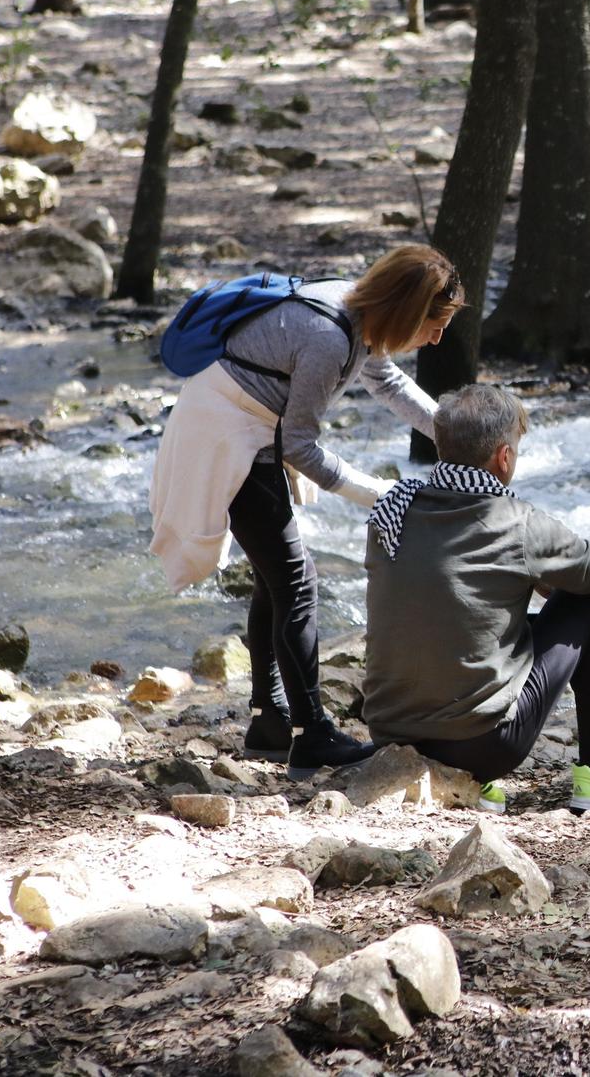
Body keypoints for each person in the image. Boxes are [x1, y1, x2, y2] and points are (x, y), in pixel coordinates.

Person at [149, 244, 463, 776]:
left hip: (252, 431)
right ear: (406, 312)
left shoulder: (357, 310)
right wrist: (382, 494)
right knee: (296, 581)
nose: (436, 339)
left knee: (278, 577)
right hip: (228, 436)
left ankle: (270, 719)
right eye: (433, 325)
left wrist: (455, 437)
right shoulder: (327, 337)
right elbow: (300, 446)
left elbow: (386, 381)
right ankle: (310, 732)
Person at [360, 384, 590, 813]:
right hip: (482, 746)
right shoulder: (517, 522)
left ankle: (466, 786)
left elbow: (441, 599)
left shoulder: (392, 508)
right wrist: (562, 575)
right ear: (504, 458)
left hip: (390, 733)